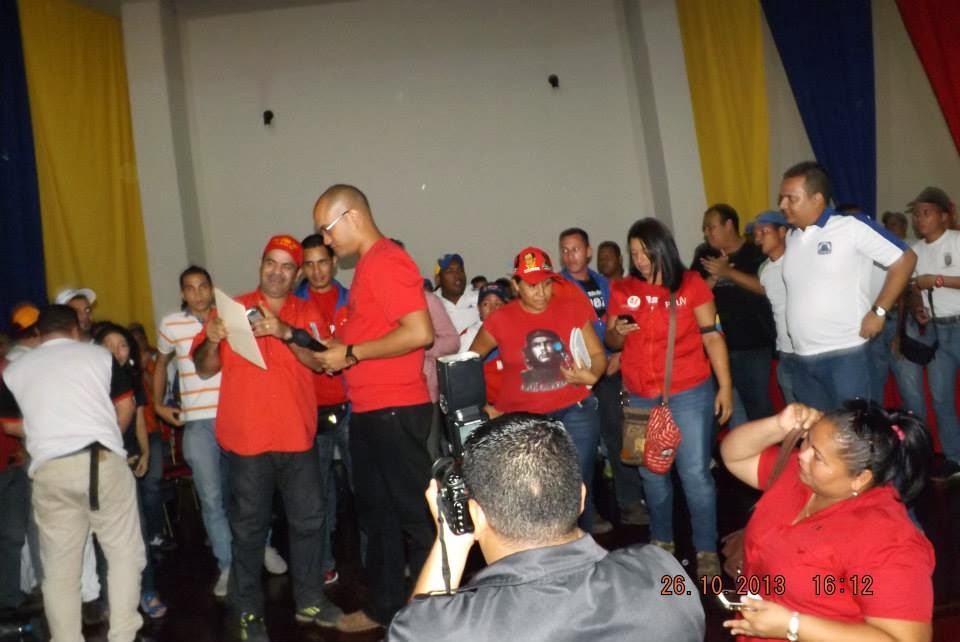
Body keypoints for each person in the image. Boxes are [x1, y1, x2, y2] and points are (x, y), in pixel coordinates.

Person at [387, 412, 705, 642]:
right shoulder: (663, 573)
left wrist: (451, 539)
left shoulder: (451, 629)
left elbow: (417, 625)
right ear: (581, 498)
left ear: (476, 515)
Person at [192, 235, 341, 640]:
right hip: (247, 441)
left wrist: (286, 333)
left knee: (309, 522)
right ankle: (247, 612)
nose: (277, 272)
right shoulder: (232, 309)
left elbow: (321, 362)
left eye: (286, 266)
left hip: (297, 437)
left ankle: (310, 599)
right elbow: (204, 367)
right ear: (260, 265)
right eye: (270, 263)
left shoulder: (306, 312)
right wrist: (213, 337)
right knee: (248, 530)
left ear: (297, 274)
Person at [311, 185, 436, 634]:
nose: (326, 240)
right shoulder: (368, 267)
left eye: (327, 230)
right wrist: (340, 348)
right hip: (369, 410)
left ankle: (433, 614)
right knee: (378, 518)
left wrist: (353, 352)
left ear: (352, 217)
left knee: (417, 519)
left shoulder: (387, 261)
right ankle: (384, 608)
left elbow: (419, 332)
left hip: (395, 409)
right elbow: (370, 336)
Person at [720, 400, 934, 642]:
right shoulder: (802, 475)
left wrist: (793, 625)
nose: (802, 455)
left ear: (860, 478)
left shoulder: (887, 540)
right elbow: (734, 456)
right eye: (807, 441)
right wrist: (778, 425)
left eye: (818, 456)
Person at [0, 305, 145, 642]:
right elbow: (126, 406)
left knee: (59, 571)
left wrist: (47, 430)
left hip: (51, 469)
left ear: (39, 333)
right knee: (123, 554)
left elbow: (8, 424)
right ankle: (123, 635)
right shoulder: (99, 357)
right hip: (102, 461)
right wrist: (108, 435)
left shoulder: (14, 370)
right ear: (76, 330)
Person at [606, 217, 733, 578]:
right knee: (650, 474)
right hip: (637, 397)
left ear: (662, 248)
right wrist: (618, 332)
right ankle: (662, 541)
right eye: (634, 253)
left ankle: (706, 548)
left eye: (645, 252)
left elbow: (712, 337)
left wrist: (725, 387)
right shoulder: (622, 289)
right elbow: (611, 341)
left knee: (694, 474)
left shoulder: (691, 285)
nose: (640, 260)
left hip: (688, 392)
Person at [468, 246, 607, 530]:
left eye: (546, 284)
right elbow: (468, 363)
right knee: (534, 491)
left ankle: (583, 546)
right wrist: (484, 406)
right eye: (532, 286)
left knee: (578, 482)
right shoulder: (500, 319)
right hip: (524, 420)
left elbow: (597, 355)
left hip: (575, 409)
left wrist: (591, 375)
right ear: (516, 285)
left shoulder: (570, 309)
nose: (541, 292)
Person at [779, 161, 916, 409]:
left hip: (846, 354)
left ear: (817, 199)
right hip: (803, 357)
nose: (782, 205)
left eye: (791, 198)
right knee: (819, 429)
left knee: (854, 428)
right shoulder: (792, 237)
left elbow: (905, 259)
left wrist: (879, 311)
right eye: (782, 198)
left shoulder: (850, 226)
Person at [154, 266, 234, 597]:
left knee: (246, 493)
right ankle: (228, 564)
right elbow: (160, 363)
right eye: (190, 288)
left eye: (203, 286)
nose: (198, 293)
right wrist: (158, 404)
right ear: (182, 293)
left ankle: (263, 547)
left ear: (212, 288)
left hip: (235, 415)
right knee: (211, 498)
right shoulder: (171, 324)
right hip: (198, 421)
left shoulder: (229, 318)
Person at [558, 227, 645, 530]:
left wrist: (619, 354)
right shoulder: (556, 288)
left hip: (610, 371)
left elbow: (623, 325)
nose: (570, 255)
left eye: (575, 249)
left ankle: (631, 503)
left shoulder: (606, 284)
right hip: (577, 375)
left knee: (621, 434)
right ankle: (585, 513)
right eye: (564, 250)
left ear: (588, 251)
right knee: (580, 448)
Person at [94, 323, 167, 619]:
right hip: (99, 463)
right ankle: (109, 598)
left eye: (122, 345)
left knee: (137, 530)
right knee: (103, 534)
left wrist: (145, 452)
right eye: (108, 345)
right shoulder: (90, 379)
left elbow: (138, 419)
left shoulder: (132, 377)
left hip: (128, 458)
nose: (116, 351)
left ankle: (147, 590)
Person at [295, 235, 351, 583]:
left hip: (352, 404)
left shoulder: (353, 300)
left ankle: (372, 559)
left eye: (322, 262)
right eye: (309, 264)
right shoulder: (293, 306)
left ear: (334, 262)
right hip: (310, 408)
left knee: (364, 487)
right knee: (318, 491)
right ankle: (324, 561)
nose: (317, 271)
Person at [694, 203, 776, 424]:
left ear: (729, 225)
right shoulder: (704, 254)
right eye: (705, 229)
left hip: (754, 344)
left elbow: (766, 287)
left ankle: (767, 446)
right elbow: (693, 295)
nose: (707, 233)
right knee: (730, 411)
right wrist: (714, 277)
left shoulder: (755, 250)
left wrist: (728, 272)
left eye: (711, 227)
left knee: (758, 407)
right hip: (717, 345)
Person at [909, 186, 960, 480]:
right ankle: (954, 457)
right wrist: (918, 307)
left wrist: (938, 280)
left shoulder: (956, 240)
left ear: (943, 216)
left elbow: (930, 281)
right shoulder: (915, 251)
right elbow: (914, 288)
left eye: (926, 212)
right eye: (916, 214)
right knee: (941, 399)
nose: (919, 219)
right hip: (937, 331)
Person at [752, 211, 797, 403]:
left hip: (808, 350)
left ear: (782, 232)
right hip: (785, 352)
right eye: (755, 234)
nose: (758, 238)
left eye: (764, 232)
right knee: (795, 413)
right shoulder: (764, 269)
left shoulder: (799, 261)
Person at [433, 253, 480, 351]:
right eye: (450, 271)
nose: (457, 275)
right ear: (438, 279)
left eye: (460, 270)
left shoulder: (480, 298)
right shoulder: (430, 304)